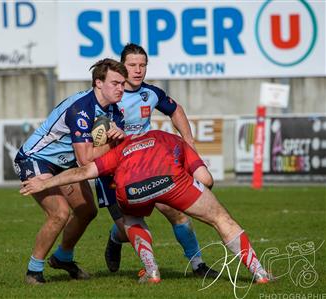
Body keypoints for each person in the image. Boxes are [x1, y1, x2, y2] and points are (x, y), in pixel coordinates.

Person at [20, 130, 273, 284]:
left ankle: (151, 272)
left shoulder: (120, 151)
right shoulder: (170, 139)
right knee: (220, 218)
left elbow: (84, 171)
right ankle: (260, 273)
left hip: (131, 189)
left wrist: (46, 182)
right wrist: (192, 191)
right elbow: (206, 179)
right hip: (171, 181)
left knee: (131, 219)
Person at [97, 43, 217, 277]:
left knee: (177, 213)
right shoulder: (108, 97)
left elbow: (176, 110)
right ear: (122, 66)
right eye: (132, 65)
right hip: (116, 170)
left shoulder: (151, 93)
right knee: (127, 227)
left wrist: (189, 142)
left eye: (143, 65)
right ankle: (114, 238)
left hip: (149, 165)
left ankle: (198, 265)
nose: (138, 70)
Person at [14, 58, 128, 284]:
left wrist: (119, 137)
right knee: (59, 213)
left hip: (64, 164)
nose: (121, 88)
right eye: (115, 83)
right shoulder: (81, 109)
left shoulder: (115, 112)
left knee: (87, 211)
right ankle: (33, 271)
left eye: (123, 84)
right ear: (98, 83)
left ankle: (63, 257)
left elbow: (108, 147)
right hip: (36, 159)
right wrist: (115, 143)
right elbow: (85, 158)